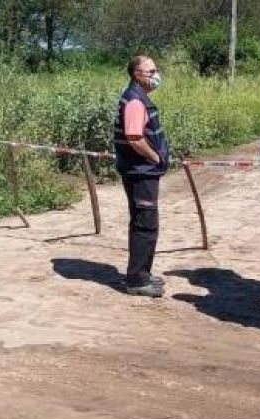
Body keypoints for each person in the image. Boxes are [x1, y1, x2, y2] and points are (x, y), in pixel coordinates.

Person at [113, 55, 170, 297]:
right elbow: (135, 137)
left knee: (144, 222)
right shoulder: (135, 101)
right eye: (150, 71)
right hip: (141, 171)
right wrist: (154, 157)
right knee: (145, 225)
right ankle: (137, 281)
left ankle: (142, 274)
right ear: (136, 75)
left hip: (140, 171)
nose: (155, 75)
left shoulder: (137, 97)